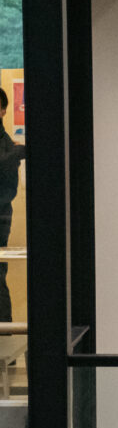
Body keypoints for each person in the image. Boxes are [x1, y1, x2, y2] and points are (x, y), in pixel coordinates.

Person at [0, 89, 25, 323]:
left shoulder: (6, 141)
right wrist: (17, 152)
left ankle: (4, 343)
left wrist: (16, 152)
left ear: (3, 110)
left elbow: (8, 187)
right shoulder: (9, 145)